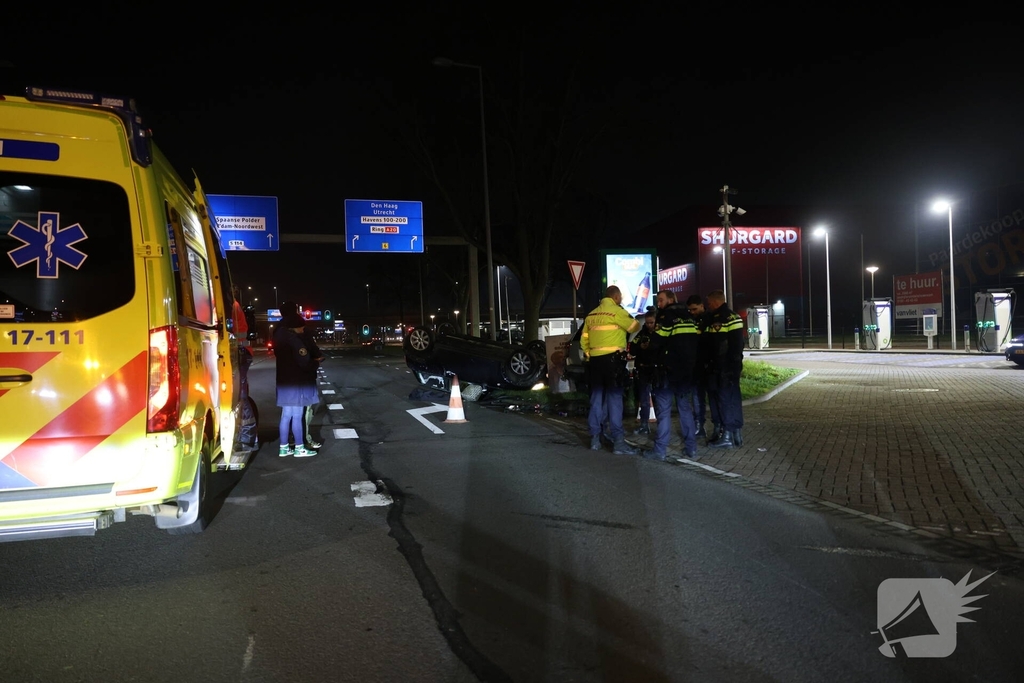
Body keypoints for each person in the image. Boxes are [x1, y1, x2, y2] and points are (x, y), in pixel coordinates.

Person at [581, 285, 641, 455]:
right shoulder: (617, 311)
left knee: (596, 399)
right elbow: (635, 326)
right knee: (615, 401)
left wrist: (589, 354)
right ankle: (618, 442)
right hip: (613, 362)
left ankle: (595, 439)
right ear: (615, 297)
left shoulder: (591, 315)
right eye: (620, 297)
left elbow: (584, 339)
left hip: (595, 362)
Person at [643, 290, 700, 460]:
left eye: (661, 300)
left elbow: (656, 343)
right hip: (686, 372)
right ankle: (691, 448)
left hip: (667, 371)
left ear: (670, 300)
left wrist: (649, 346)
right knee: (685, 410)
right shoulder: (689, 317)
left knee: (664, 412)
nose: (659, 304)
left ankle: (659, 450)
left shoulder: (665, 317)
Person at [280, 301, 325, 450]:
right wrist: (317, 361)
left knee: (287, 413)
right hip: (302, 378)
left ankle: (286, 444)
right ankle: (302, 442)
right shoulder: (298, 332)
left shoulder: (278, 330)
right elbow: (308, 352)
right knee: (304, 411)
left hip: (284, 378)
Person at [274, 312, 319, 457]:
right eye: (301, 327)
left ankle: (284, 447)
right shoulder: (295, 340)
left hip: (283, 381)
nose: (303, 330)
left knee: (286, 415)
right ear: (295, 327)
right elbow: (304, 361)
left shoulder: (279, 338)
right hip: (295, 381)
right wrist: (316, 363)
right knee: (298, 415)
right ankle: (299, 447)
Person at [704, 289, 745, 448]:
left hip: (722, 367)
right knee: (734, 398)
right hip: (733, 365)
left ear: (715, 302)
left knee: (725, 399)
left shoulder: (719, 319)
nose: (708, 306)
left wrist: (716, 364)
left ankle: (727, 436)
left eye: (709, 303)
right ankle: (736, 434)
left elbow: (717, 345)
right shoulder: (734, 316)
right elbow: (738, 345)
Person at [686, 294, 717, 440]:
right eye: (690, 310)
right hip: (695, 365)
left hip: (708, 364)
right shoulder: (690, 320)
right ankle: (699, 425)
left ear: (702, 306)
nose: (692, 312)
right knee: (697, 397)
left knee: (712, 397)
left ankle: (717, 427)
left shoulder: (710, 319)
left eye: (695, 309)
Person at [628, 309, 658, 435]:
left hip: (657, 370)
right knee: (644, 399)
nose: (649, 325)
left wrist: (650, 347)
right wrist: (640, 347)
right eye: (647, 323)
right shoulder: (642, 334)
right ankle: (644, 425)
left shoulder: (660, 333)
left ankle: (662, 427)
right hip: (643, 369)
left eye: (651, 323)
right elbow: (633, 348)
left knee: (660, 399)